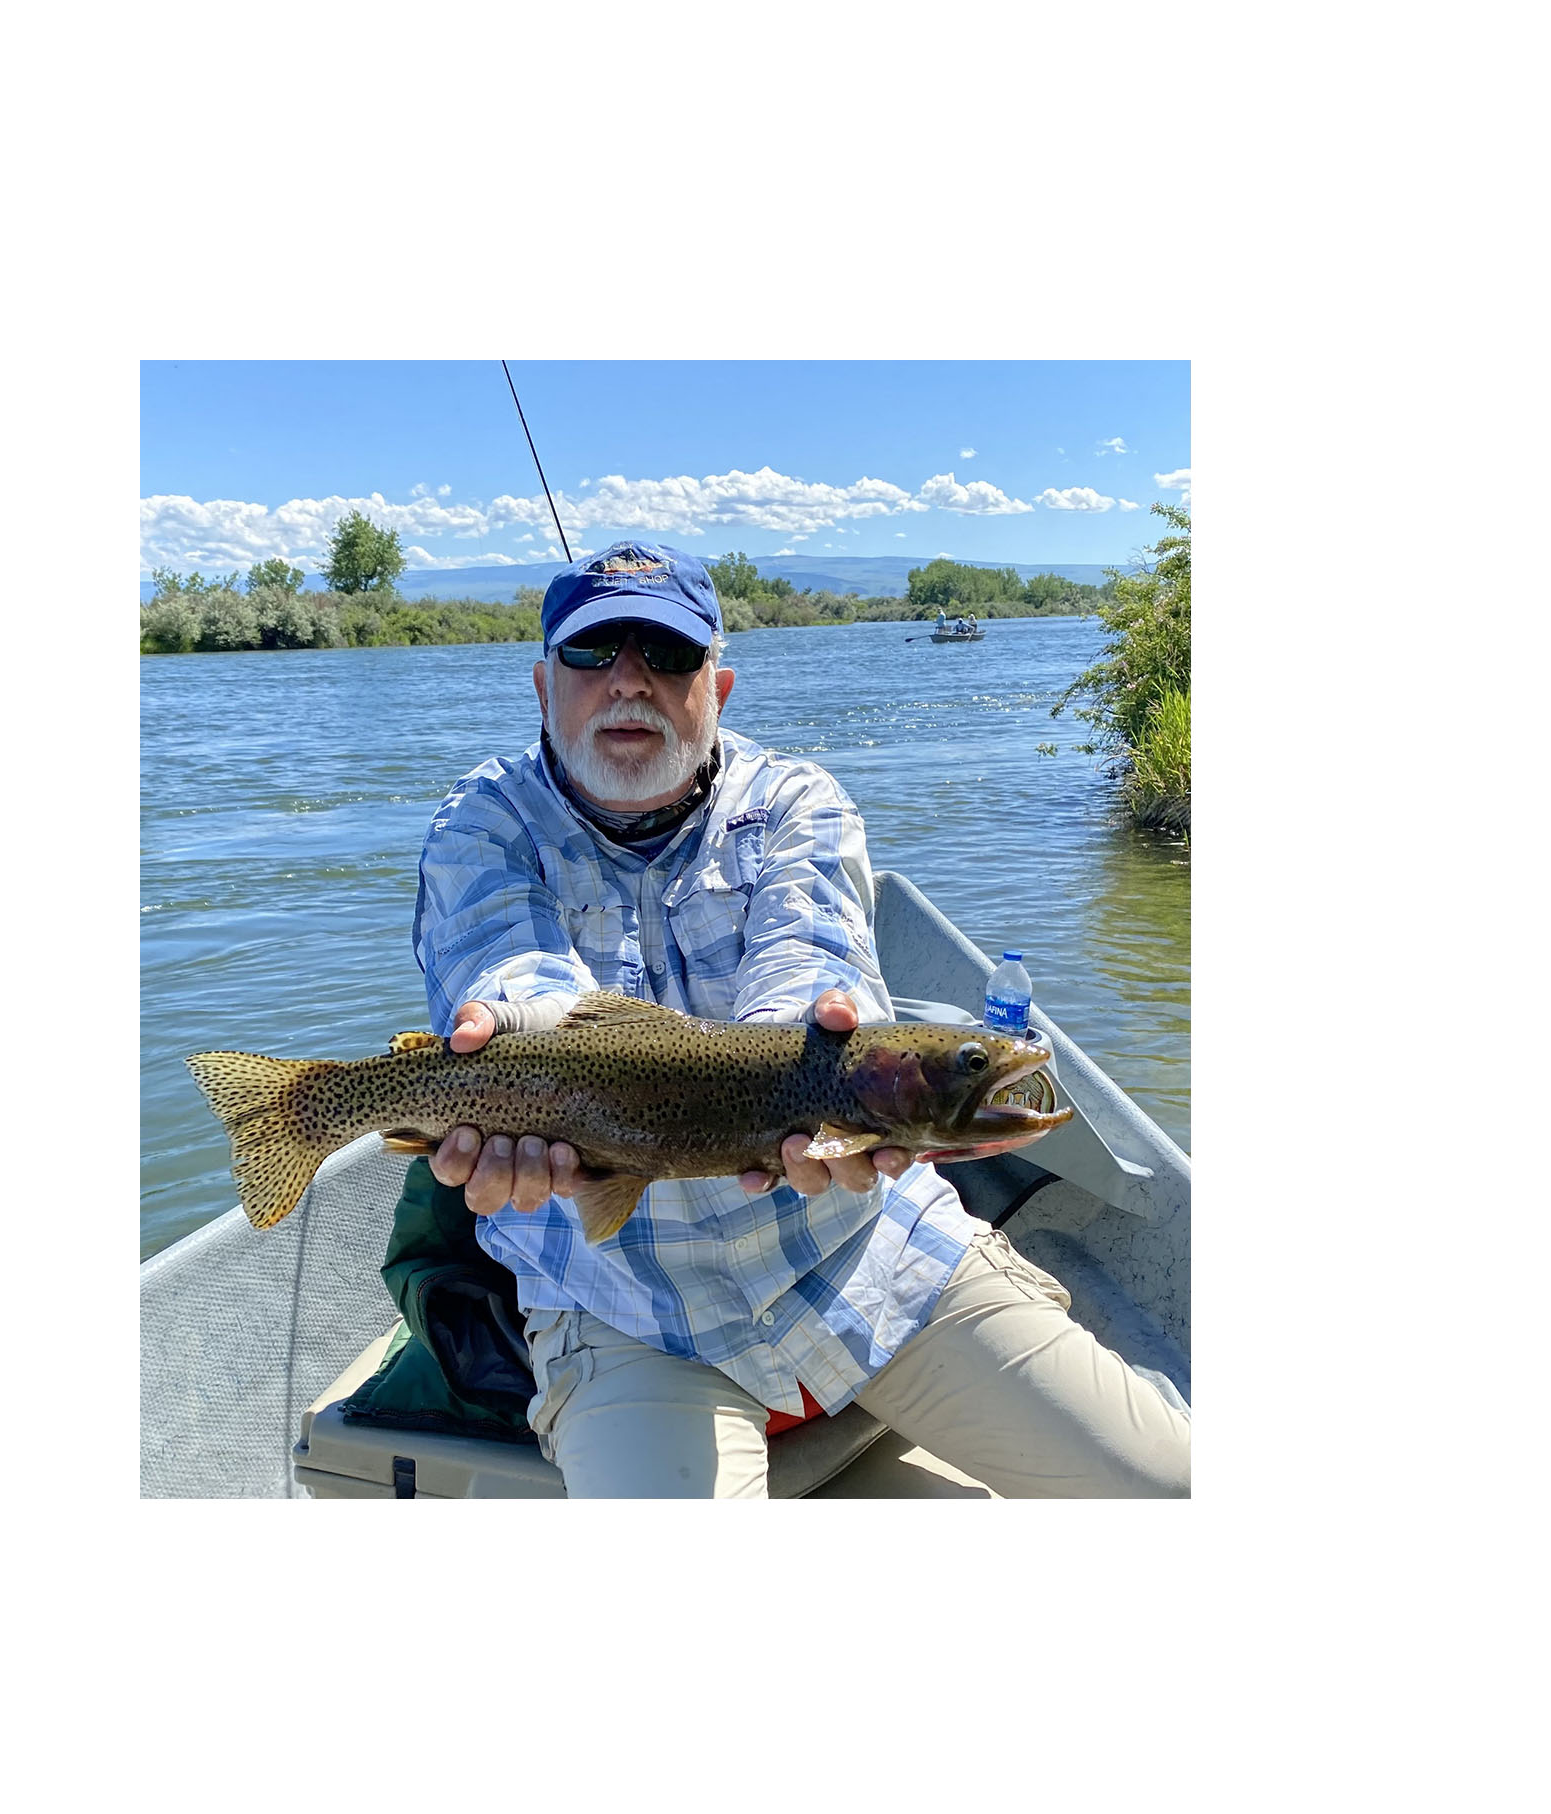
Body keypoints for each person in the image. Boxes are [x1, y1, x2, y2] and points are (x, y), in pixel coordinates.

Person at [413, 540, 1189, 1498]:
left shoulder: (792, 800)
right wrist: (515, 1059)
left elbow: (815, 969)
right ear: (542, 685)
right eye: (592, 653)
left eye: (665, 655)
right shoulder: (481, 823)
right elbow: (520, 978)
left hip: (866, 1252)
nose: (628, 681)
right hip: (623, 1305)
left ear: (718, 686)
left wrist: (822, 1100)